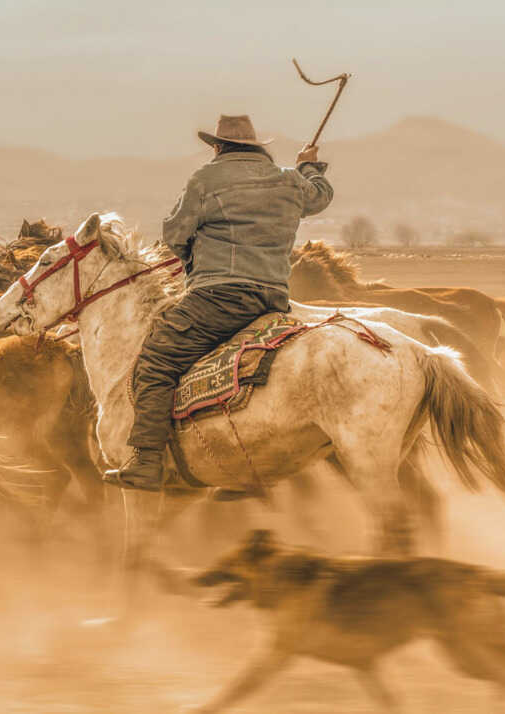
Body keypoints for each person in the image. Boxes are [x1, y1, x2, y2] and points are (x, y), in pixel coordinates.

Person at [104, 114, 334, 491]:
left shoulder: (205, 179)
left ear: (217, 146)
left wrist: (195, 265)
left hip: (217, 297)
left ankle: (146, 460)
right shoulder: (289, 179)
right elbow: (320, 196)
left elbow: (175, 234)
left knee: (156, 362)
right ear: (255, 147)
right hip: (273, 298)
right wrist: (309, 165)